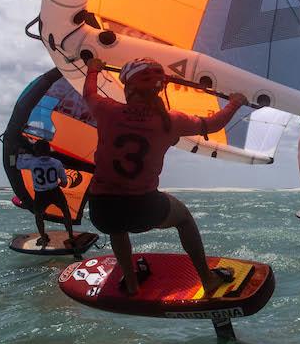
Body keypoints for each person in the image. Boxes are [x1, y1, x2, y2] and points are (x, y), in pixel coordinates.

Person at [83, 57, 247, 296]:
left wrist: (93, 70)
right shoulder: (171, 120)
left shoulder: (106, 110)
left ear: (129, 88)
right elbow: (213, 124)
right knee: (184, 219)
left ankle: (131, 283)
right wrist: (235, 102)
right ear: (160, 88)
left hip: (102, 209)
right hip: (143, 209)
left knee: (116, 229)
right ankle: (207, 279)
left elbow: (88, 93)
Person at [15, 139, 75, 248]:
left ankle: (43, 238)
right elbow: (65, 182)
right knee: (66, 212)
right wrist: (60, 183)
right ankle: (71, 237)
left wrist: (20, 153)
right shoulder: (57, 162)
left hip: (41, 194)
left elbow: (18, 165)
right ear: (49, 150)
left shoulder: (32, 162)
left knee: (38, 216)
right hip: (55, 192)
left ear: (36, 151)